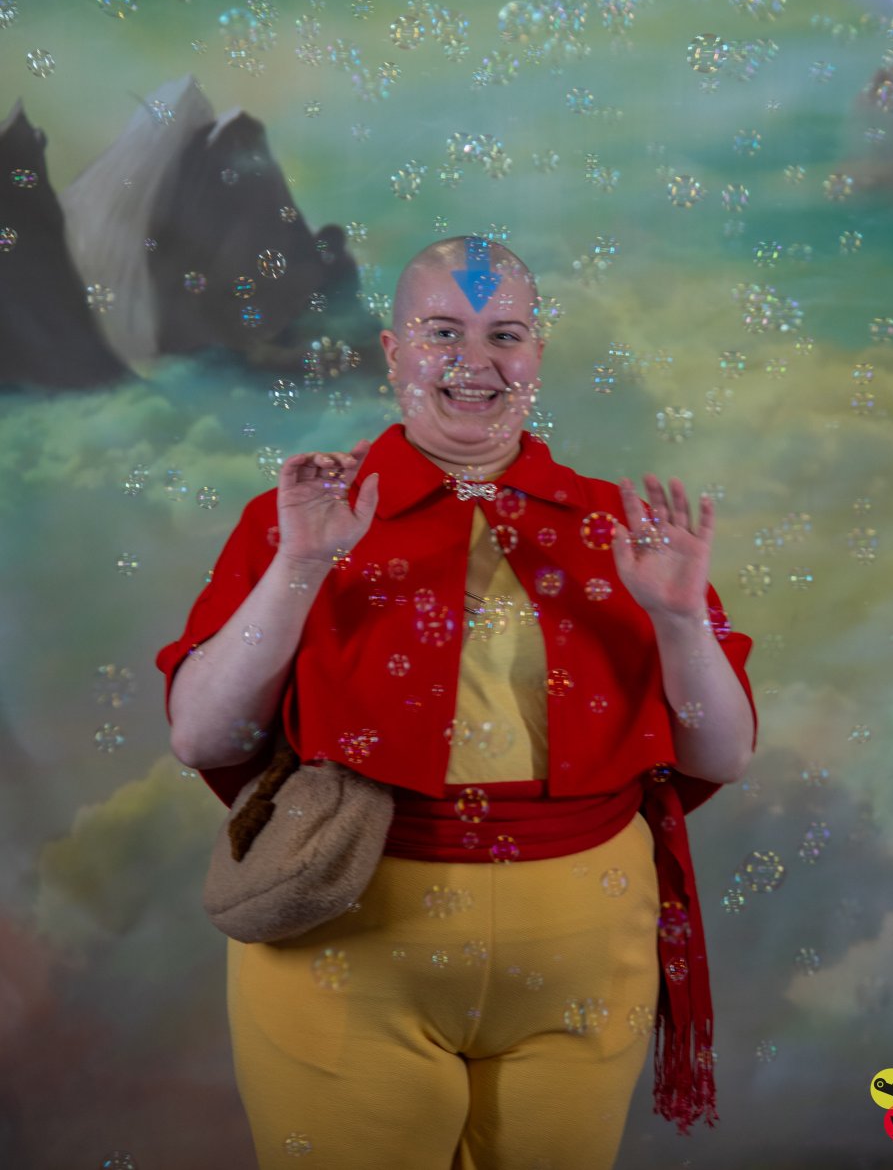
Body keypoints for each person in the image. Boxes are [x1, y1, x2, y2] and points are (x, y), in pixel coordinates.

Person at [157, 236, 757, 1170]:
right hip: (349, 949)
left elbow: (722, 756)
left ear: (536, 356)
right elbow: (201, 736)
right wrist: (302, 566)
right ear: (393, 350)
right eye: (443, 331)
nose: (475, 360)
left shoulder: (621, 530)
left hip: (585, 968)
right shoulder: (304, 521)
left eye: (503, 334)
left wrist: (679, 621)